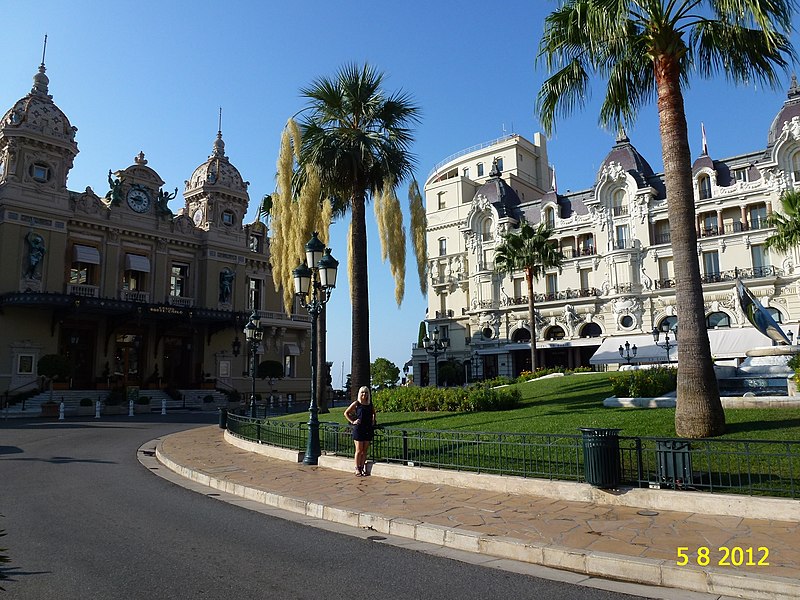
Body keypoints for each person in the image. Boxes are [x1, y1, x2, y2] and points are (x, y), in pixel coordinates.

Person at [344, 386, 376, 476]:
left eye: (366, 392)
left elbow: (374, 413)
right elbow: (346, 413)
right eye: (362, 392)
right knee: (358, 450)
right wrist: (352, 421)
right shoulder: (357, 404)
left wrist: (373, 420)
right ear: (360, 394)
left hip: (368, 428)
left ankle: (362, 467)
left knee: (365, 450)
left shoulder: (370, 404)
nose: (364, 394)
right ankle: (357, 468)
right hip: (359, 429)